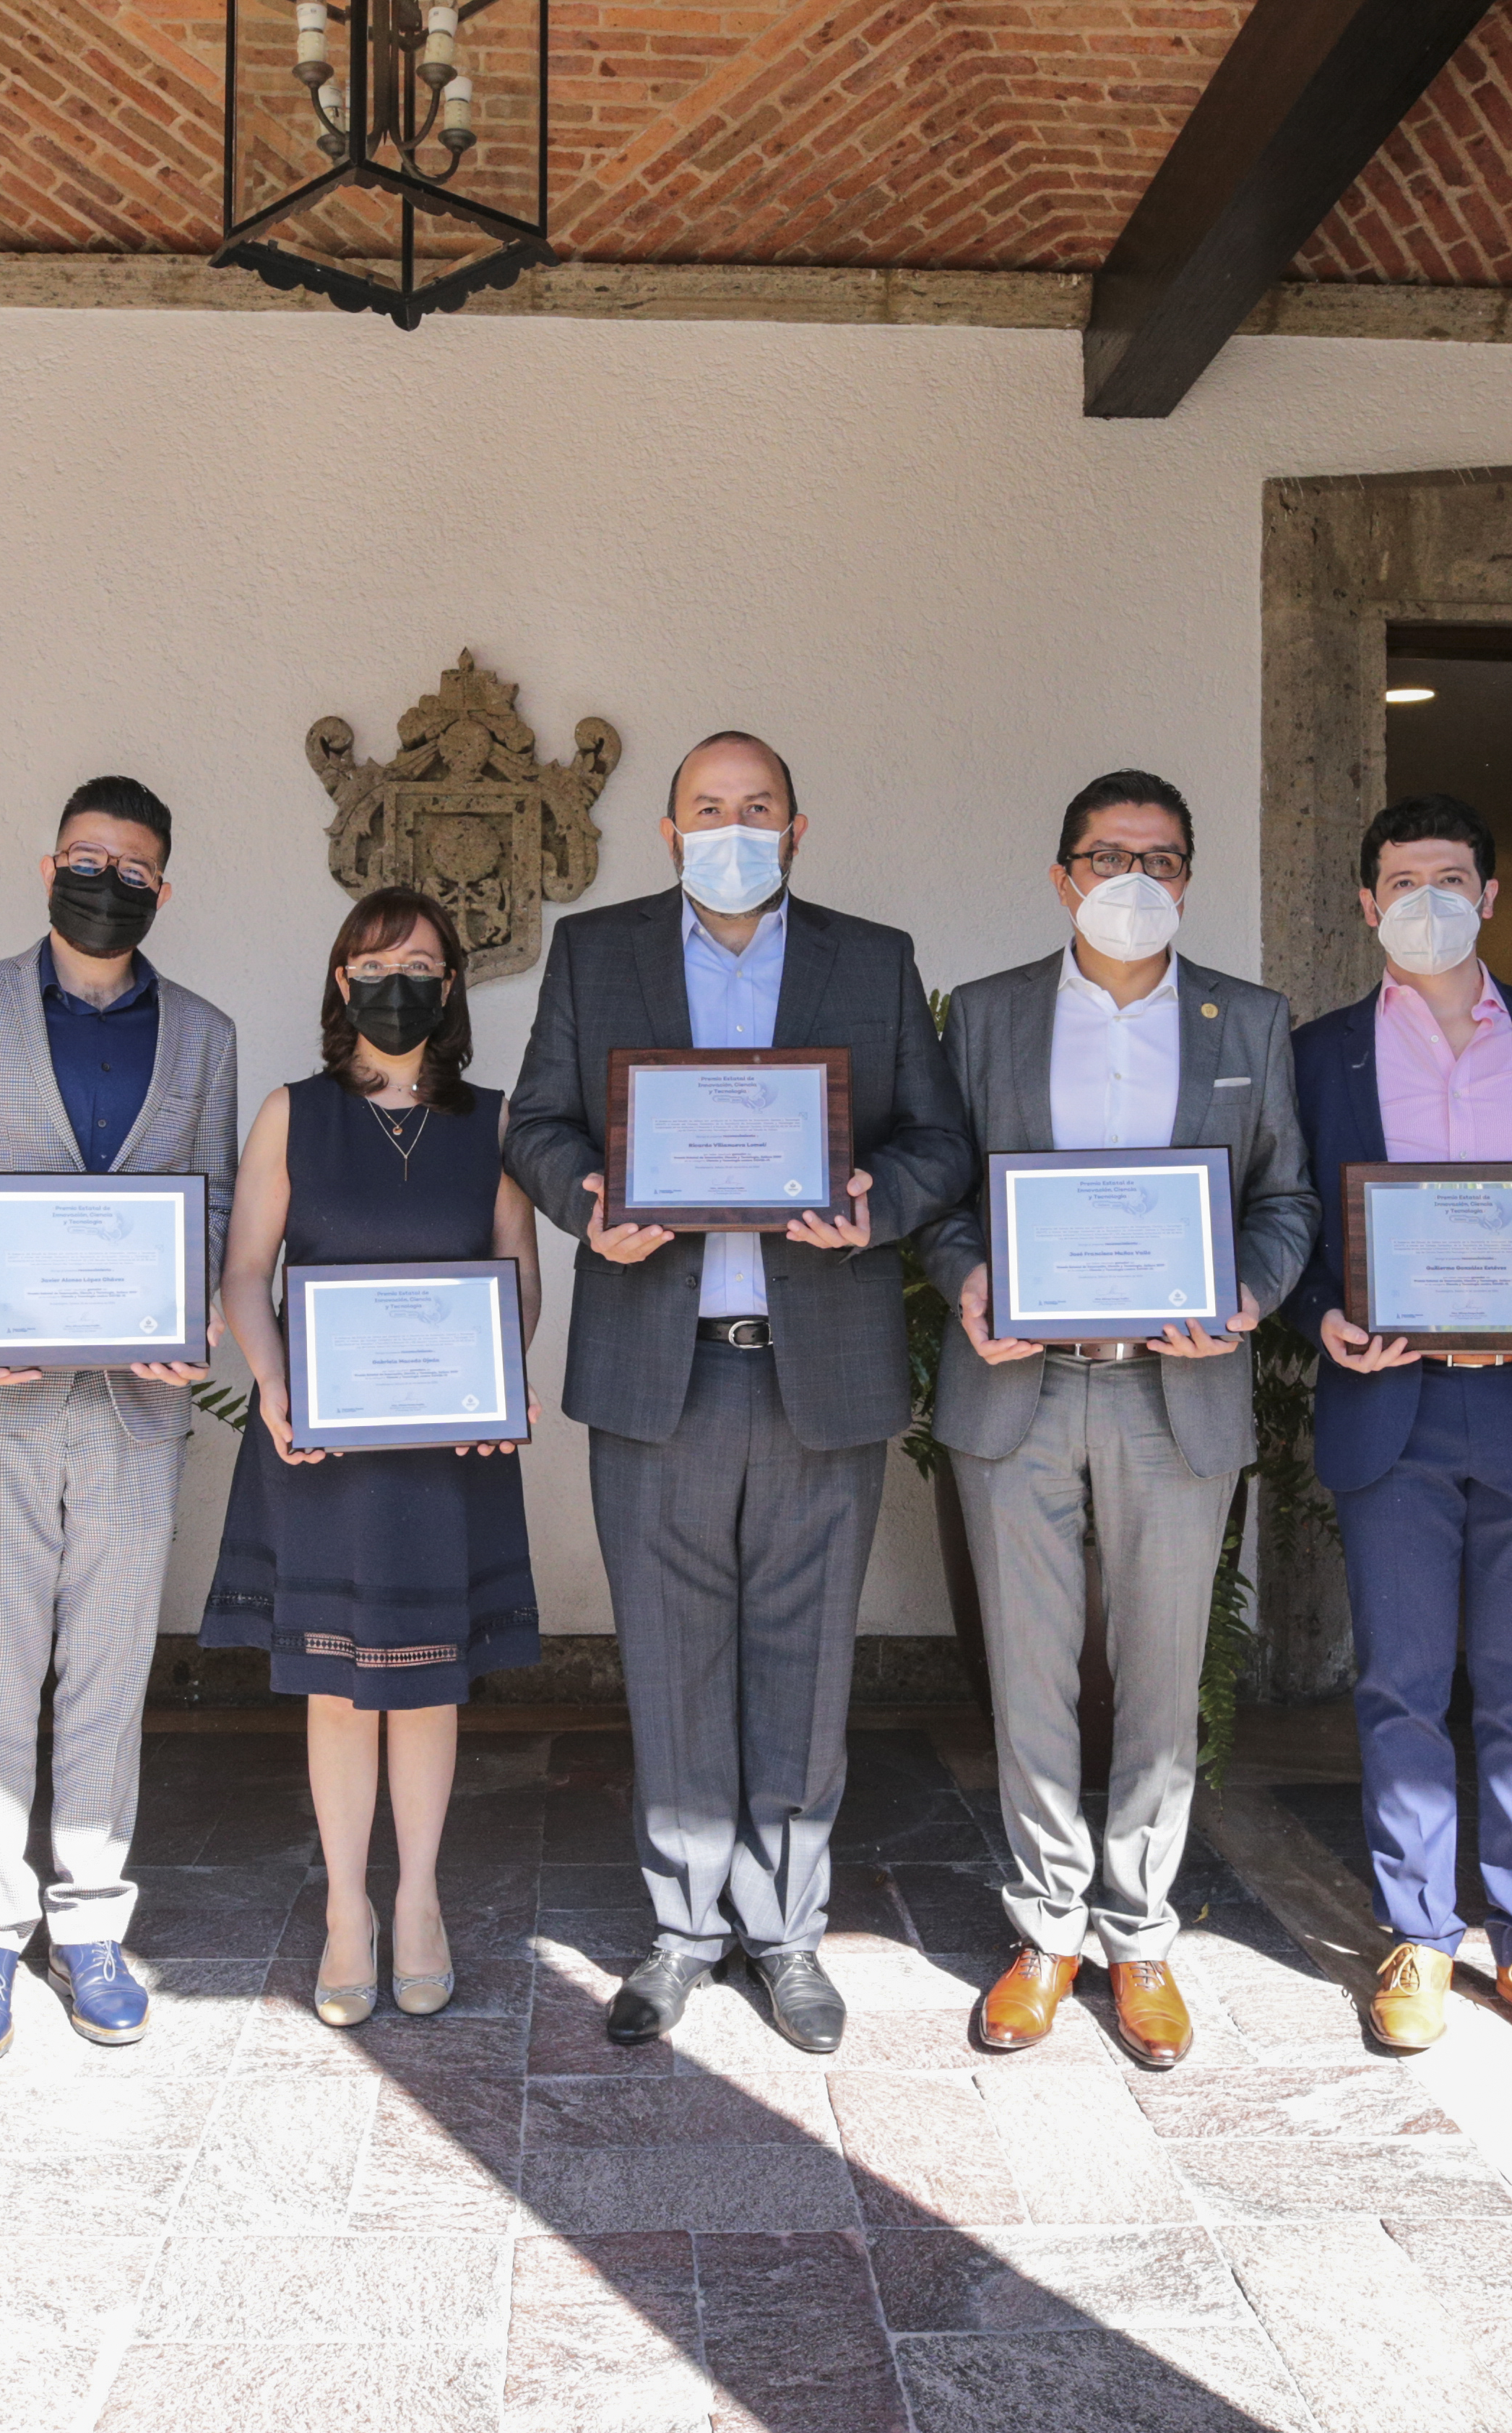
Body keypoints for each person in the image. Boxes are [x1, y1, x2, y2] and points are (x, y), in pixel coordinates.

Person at [506, 730, 976, 2055]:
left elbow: (937, 1138)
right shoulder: (597, 955)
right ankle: (681, 1930)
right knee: (667, 1654)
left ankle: (785, 1932)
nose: (731, 826)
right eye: (707, 808)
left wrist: (878, 1201)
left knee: (805, 1653)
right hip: (659, 1367)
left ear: (796, 826)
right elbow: (536, 1124)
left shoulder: (870, 960)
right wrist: (585, 1203)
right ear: (668, 833)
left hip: (814, 1365)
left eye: (755, 806)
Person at [922, 771, 1316, 2070]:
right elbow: (937, 1188)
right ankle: (1046, 1929)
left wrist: (1251, 1294)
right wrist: (968, 1278)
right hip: (1022, 1379)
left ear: (1189, 879)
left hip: (1175, 1387)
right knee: (1031, 1673)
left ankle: (1138, 1935)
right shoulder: (983, 1018)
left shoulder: (1248, 1022)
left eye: (1159, 857)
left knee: (1159, 1670)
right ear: (1062, 876)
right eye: (1106, 856)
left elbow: (1286, 1200)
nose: (1132, 879)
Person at [1281, 792, 1512, 2070]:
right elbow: (1286, 1218)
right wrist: (1325, 1315)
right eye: (1403, 879)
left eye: (1453, 877)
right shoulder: (1320, 1051)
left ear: (1492, 897)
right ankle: (1417, 1935)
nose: (1427, 898)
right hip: (1392, 1401)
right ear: (1366, 903)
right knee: (1396, 1683)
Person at [0, 777, 238, 2063]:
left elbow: (221, 1207)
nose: (106, 879)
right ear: (48, 866)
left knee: (111, 1668)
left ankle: (88, 1924)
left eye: (132, 865)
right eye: (87, 857)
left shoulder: (202, 1032)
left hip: (134, 1413)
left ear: (161, 890)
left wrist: (191, 1320)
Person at [200, 889, 543, 2026]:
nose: (399, 978)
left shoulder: (493, 1122)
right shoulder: (291, 1114)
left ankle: (423, 1902)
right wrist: (274, 1377)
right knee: (341, 1691)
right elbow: (247, 1270)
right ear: (341, 979)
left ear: (451, 990)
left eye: (423, 963)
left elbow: (518, 1271)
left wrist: (501, 1369)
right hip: (322, 1441)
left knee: (431, 1686)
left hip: (447, 1446)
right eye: (375, 959)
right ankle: (349, 1907)